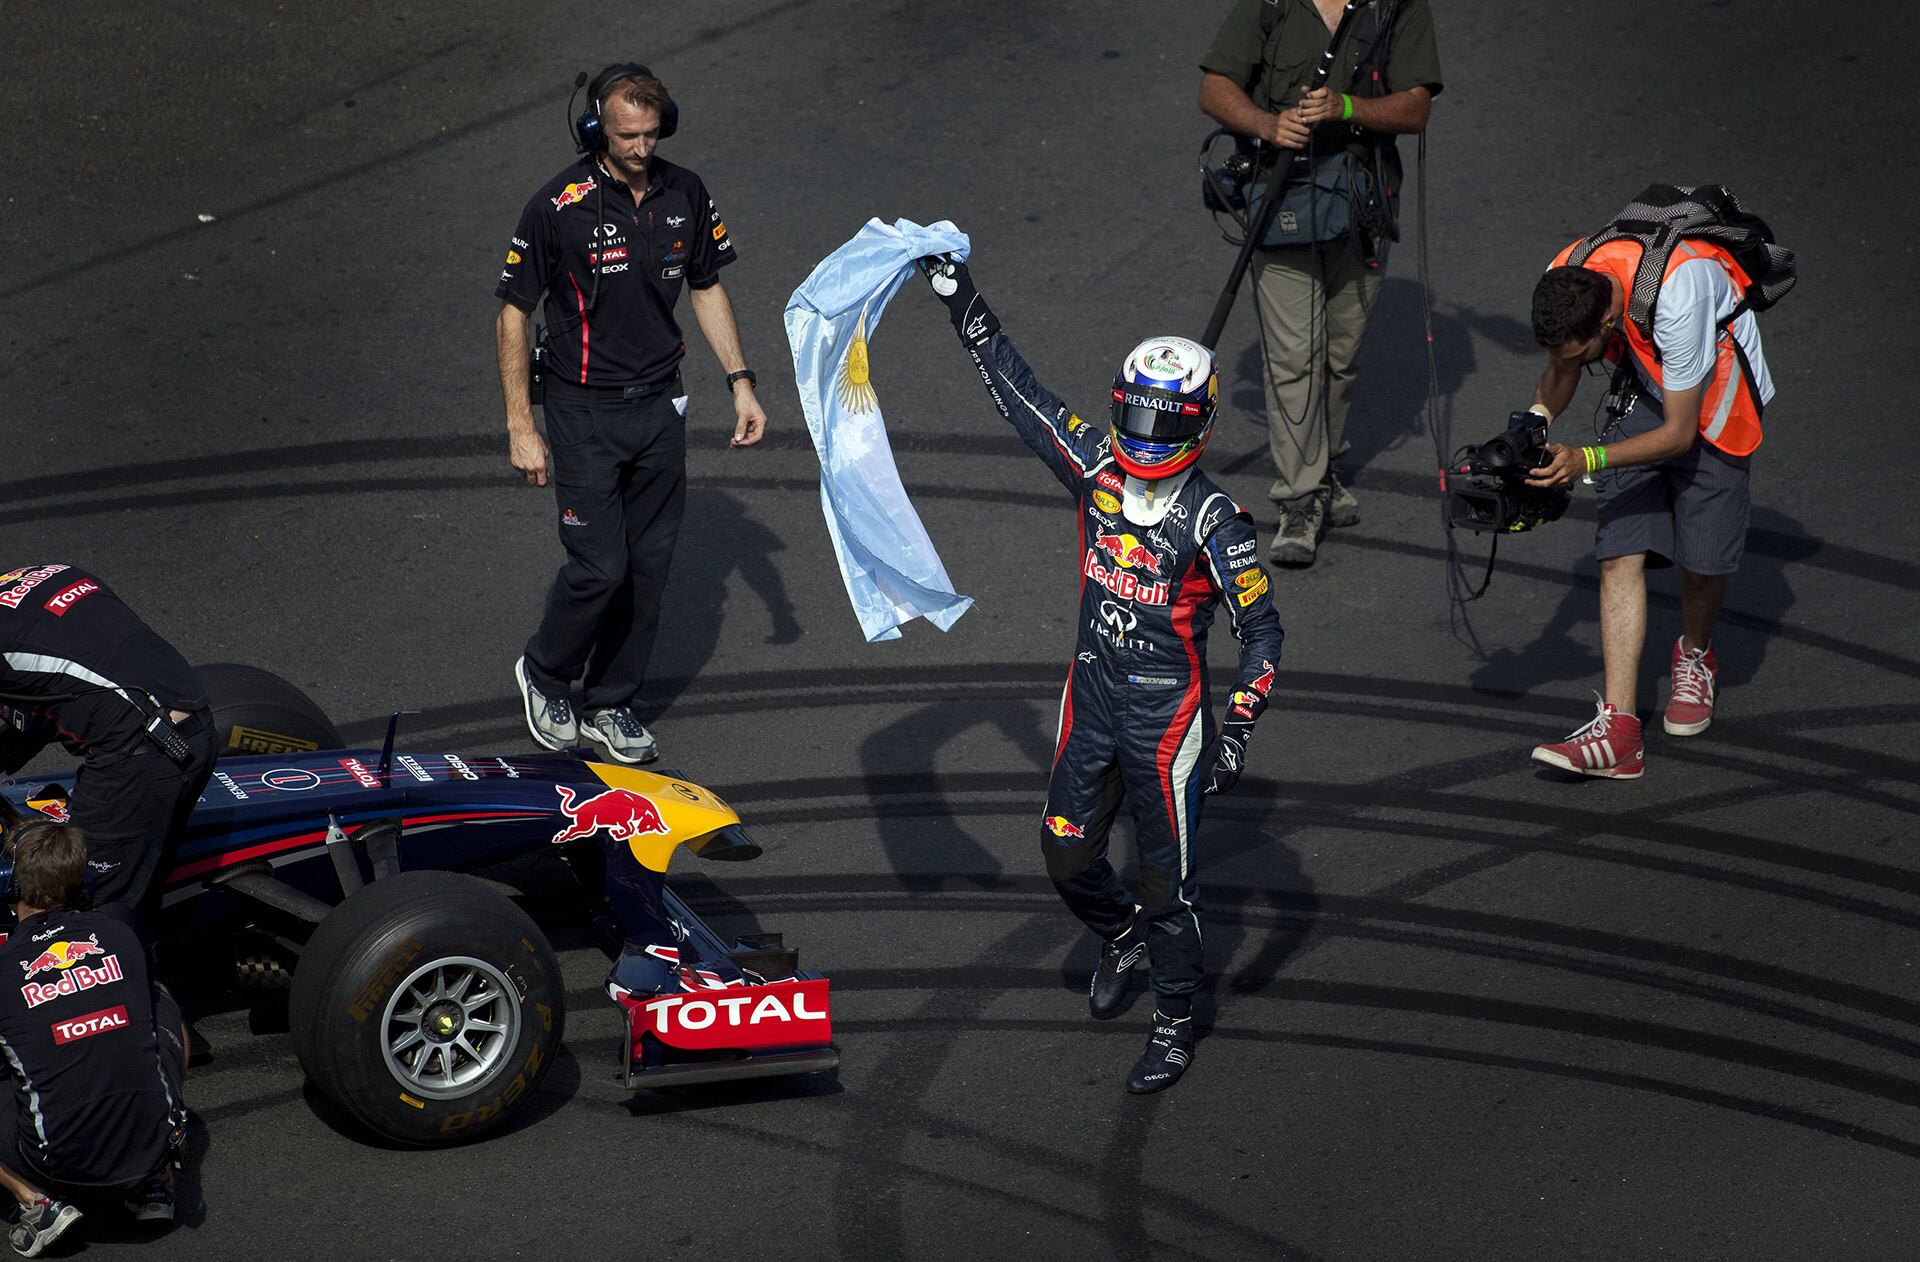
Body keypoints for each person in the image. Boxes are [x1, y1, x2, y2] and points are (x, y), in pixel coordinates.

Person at [920, 254, 1284, 1093]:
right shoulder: (1095, 467)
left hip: (1167, 725)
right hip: (1090, 701)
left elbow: (1263, 629)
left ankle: (1174, 1020)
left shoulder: (1216, 519)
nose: (1148, 438)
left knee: (1169, 887)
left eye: (1167, 423)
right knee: (1063, 855)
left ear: (1199, 424)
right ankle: (1119, 938)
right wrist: (960, 297)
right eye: (1139, 418)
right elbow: (1021, 395)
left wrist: (1239, 727)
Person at [496, 64, 767, 765]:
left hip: (659, 407)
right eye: (626, 135)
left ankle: (610, 702)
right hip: (582, 410)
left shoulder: (686, 192)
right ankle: (547, 674)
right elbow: (514, 313)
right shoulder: (557, 206)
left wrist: (741, 382)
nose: (641, 147)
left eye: (651, 133)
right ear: (595, 129)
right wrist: (522, 426)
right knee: (599, 567)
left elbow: (706, 287)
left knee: (648, 570)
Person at [1522, 225, 1775, 779]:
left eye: (1584, 353)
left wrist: (1586, 459)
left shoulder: (1681, 293)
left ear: (1607, 324)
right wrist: (1534, 428)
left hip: (1714, 390)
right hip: (1645, 372)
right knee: (1619, 552)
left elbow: (1680, 432)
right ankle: (1620, 732)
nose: (1573, 363)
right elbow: (1562, 367)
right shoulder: (1567, 274)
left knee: (1703, 561)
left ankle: (1694, 652)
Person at [1199, 0, 1443, 565]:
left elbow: (1415, 108)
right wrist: (1266, 123)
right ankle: (1300, 498)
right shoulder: (1271, 5)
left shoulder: (1396, 7)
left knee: (1339, 357)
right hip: (1281, 203)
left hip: (1363, 212)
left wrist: (1347, 107)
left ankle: (1322, 469)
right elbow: (1214, 88)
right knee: (1293, 360)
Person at [0, 822, 187, 1255]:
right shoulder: (121, 935)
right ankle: (157, 1177)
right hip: (148, 1145)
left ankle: (37, 1202)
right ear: (83, 881)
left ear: (12, 883)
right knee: (161, 1001)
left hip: (60, 1166)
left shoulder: (6, 968)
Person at [0, 565, 216, 925]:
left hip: (143, 758)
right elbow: (51, 683)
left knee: (77, 907)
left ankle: (131, 975)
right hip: (188, 716)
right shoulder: (44, 573)